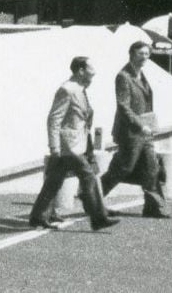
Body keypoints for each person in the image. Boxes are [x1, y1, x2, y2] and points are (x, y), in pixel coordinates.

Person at [26, 56, 116, 231]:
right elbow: (54, 119)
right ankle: (99, 218)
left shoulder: (79, 89)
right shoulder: (67, 89)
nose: (94, 72)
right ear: (80, 70)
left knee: (54, 180)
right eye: (91, 69)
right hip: (69, 146)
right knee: (88, 176)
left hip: (79, 143)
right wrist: (54, 146)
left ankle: (38, 216)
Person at [99, 41, 169, 218]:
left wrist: (150, 125)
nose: (144, 57)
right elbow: (123, 106)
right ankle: (92, 199)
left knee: (151, 167)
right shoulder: (123, 76)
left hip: (145, 132)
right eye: (140, 53)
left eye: (147, 54)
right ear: (131, 54)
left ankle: (152, 207)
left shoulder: (141, 75)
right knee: (123, 168)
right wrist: (140, 125)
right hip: (130, 132)